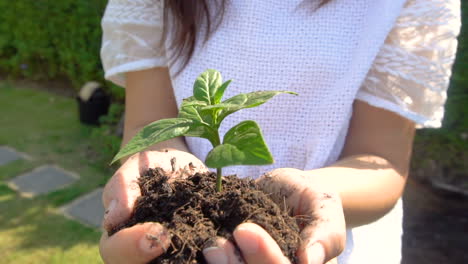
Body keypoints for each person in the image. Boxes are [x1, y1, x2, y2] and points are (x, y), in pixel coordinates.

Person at [98, 0, 461, 263]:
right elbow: (149, 125)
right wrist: (160, 169)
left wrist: (313, 194)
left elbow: (381, 161)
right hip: (183, 226)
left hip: (327, 241)